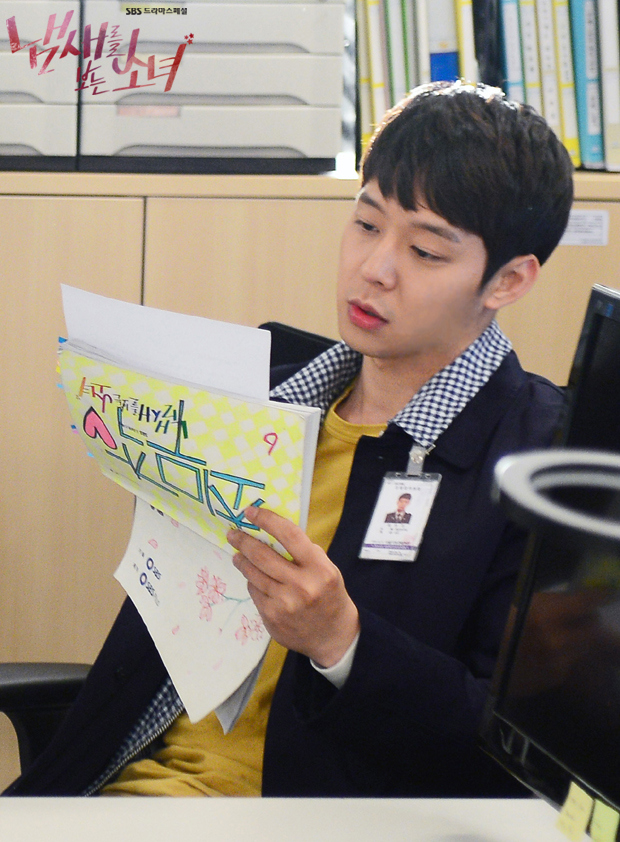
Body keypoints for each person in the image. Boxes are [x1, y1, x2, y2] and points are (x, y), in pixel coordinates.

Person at [5, 80, 573, 798]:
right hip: (107, 799)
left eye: (426, 251)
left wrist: (344, 643)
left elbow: (520, 766)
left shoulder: (545, 465)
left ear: (509, 281)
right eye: (366, 223)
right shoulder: (256, 396)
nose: (375, 269)